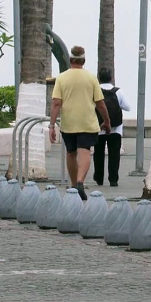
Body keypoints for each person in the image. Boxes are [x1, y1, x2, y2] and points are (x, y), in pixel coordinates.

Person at [49, 46, 111, 200]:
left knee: (71, 153)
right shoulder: (91, 78)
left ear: (70, 60)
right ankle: (80, 181)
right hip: (87, 122)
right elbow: (100, 103)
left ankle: (72, 185)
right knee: (84, 151)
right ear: (84, 61)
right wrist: (107, 121)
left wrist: (51, 125)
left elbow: (56, 103)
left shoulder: (62, 78)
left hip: (68, 122)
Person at [93, 68, 131, 187]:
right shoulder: (118, 92)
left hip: (98, 128)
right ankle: (113, 179)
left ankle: (99, 178)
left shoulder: (96, 91)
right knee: (114, 154)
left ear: (98, 78)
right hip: (116, 128)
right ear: (112, 79)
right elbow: (127, 107)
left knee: (98, 153)